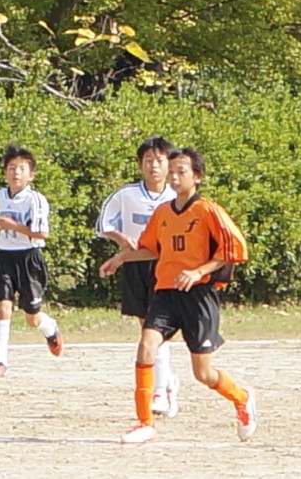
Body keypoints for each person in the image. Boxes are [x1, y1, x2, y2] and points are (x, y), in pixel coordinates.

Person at [99, 147, 256, 445]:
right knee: (147, 345)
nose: (173, 177)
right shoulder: (163, 212)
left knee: (203, 374)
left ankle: (242, 398)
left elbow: (233, 250)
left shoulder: (208, 210)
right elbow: (151, 248)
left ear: (197, 176)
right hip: (166, 293)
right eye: (171, 171)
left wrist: (199, 272)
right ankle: (145, 422)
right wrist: (121, 258)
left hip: (198, 297)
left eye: (180, 171)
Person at [96, 136, 180, 418]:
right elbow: (104, 223)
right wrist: (121, 239)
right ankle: (167, 382)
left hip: (166, 267)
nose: (154, 166)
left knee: (156, 330)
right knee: (147, 326)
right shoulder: (127, 195)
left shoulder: (176, 197)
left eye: (159, 160)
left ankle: (161, 391)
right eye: (148, 161)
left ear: (169, 164)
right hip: (135, 264)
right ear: (140, 165)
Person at [0, 144, 63, 377]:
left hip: (29, 259)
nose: (16, 173)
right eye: (12, 168)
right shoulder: (0, 196)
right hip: (4, 256)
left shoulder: (36, 200)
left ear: (31, 174)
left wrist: (12, 226)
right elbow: (1, 221)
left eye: (22, 168)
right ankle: (0, 362)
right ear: (5, 172)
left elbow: (42, 233)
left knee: (31, 317)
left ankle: (50, 328)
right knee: (2, 307)